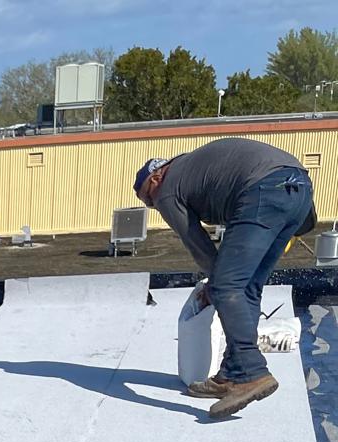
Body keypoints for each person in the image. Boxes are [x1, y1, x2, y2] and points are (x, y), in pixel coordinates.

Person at [134, 138, 315, 419]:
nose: (154, 205)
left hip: (263, 190)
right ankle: (232, 373)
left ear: (156, 177)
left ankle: (252, 371)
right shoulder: (193, 168)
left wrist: (215, 283)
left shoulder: (167, 188)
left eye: (148, 198)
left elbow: (196, 242)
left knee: (226, 285)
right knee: (248, 288)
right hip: (298, 188)